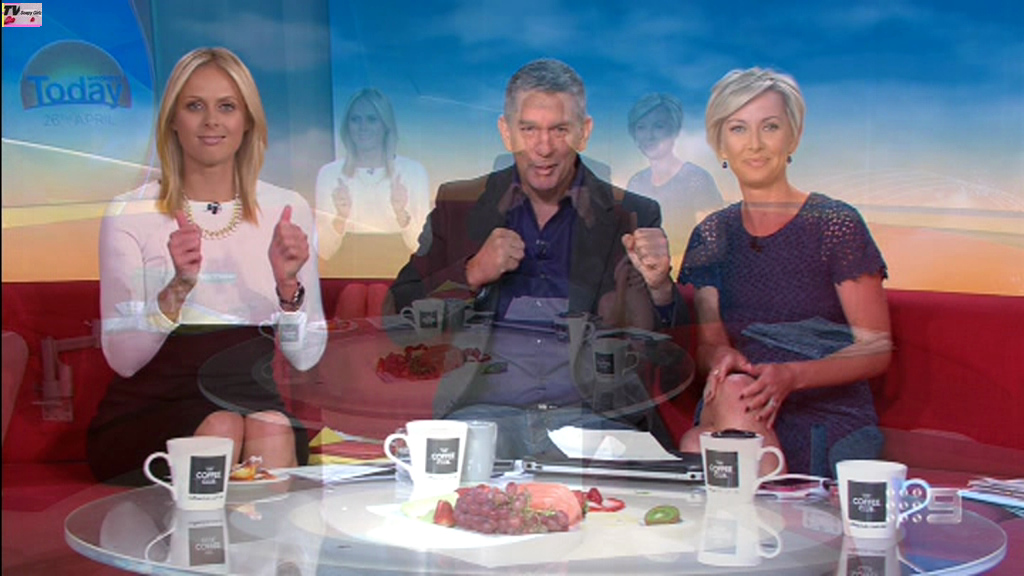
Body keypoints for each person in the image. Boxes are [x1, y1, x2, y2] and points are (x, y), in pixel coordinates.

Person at [388, 59, 689, 458]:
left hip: (595, 417)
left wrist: (661, 288)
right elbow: (399, 315)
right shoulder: (458, 205)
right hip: (482, 418)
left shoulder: (631, 215)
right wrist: (470, 273)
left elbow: (671, 352)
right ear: (506, 131)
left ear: (584, 132)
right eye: (528, 129)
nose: (543, 148)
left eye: (559, 130)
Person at [88, 47, 327, 484]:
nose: (211, 121)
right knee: (221, 427)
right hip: (153, 406)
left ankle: (269, 532)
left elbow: (306, 355)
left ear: (247, 121)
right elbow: (123, 360)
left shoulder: (286, 209)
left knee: (271, 427)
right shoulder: (130, 212)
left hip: (252, 400)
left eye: (227, 107)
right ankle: (197, 530)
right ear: (172, 121)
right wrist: (176, 290)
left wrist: (288, 289)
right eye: (195, 106)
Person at [677, 68, 892, 476]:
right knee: (733, 394)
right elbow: (709, 345)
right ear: (721, 143)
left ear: (792, 137)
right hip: (741, 401)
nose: (754, 144)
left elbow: (875, 347)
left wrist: (791, 376)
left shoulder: (834, 224)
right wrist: (721, 356)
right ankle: (768, 501)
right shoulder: (712, 234)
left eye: (770, 127)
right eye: (738, 129)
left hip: (824, 408)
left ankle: (750, 500)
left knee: (698, 443)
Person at [315, 88, 431, 276]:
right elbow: (324, 251)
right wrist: (341, 217)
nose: (363, 127)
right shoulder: (330, 174)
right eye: (355, 119)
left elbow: (422, 248)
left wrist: (401, 214)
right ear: (347, 126)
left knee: (380, 291)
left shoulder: (413, 172)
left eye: (371, 119)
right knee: (355, 291)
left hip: (401, 274)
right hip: (346, 272)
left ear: (386, 125)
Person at [626, 93, 723, 273]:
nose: (649, 136)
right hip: (644, 278)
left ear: (675, 130)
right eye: (641, 127)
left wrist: (668, 265)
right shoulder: (635, 182)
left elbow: (713, 245)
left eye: (659, 126)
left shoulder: (696, 179)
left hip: (688, 279)